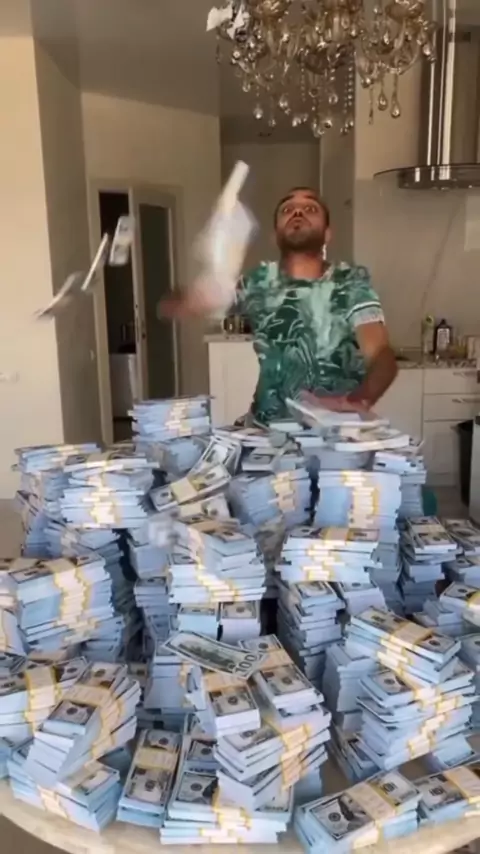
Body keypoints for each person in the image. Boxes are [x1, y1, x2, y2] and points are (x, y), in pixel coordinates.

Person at [162, 186, 397, 424]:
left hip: (332, 430)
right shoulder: (258, 282)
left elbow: (381, 355)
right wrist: (196, 291)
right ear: (275, 235)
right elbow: (182, 304)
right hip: (266, 429)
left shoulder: (350, 284)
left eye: (310, 209)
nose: (297, 213)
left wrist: (359, 400)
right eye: (287, 209)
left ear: (327, 234)